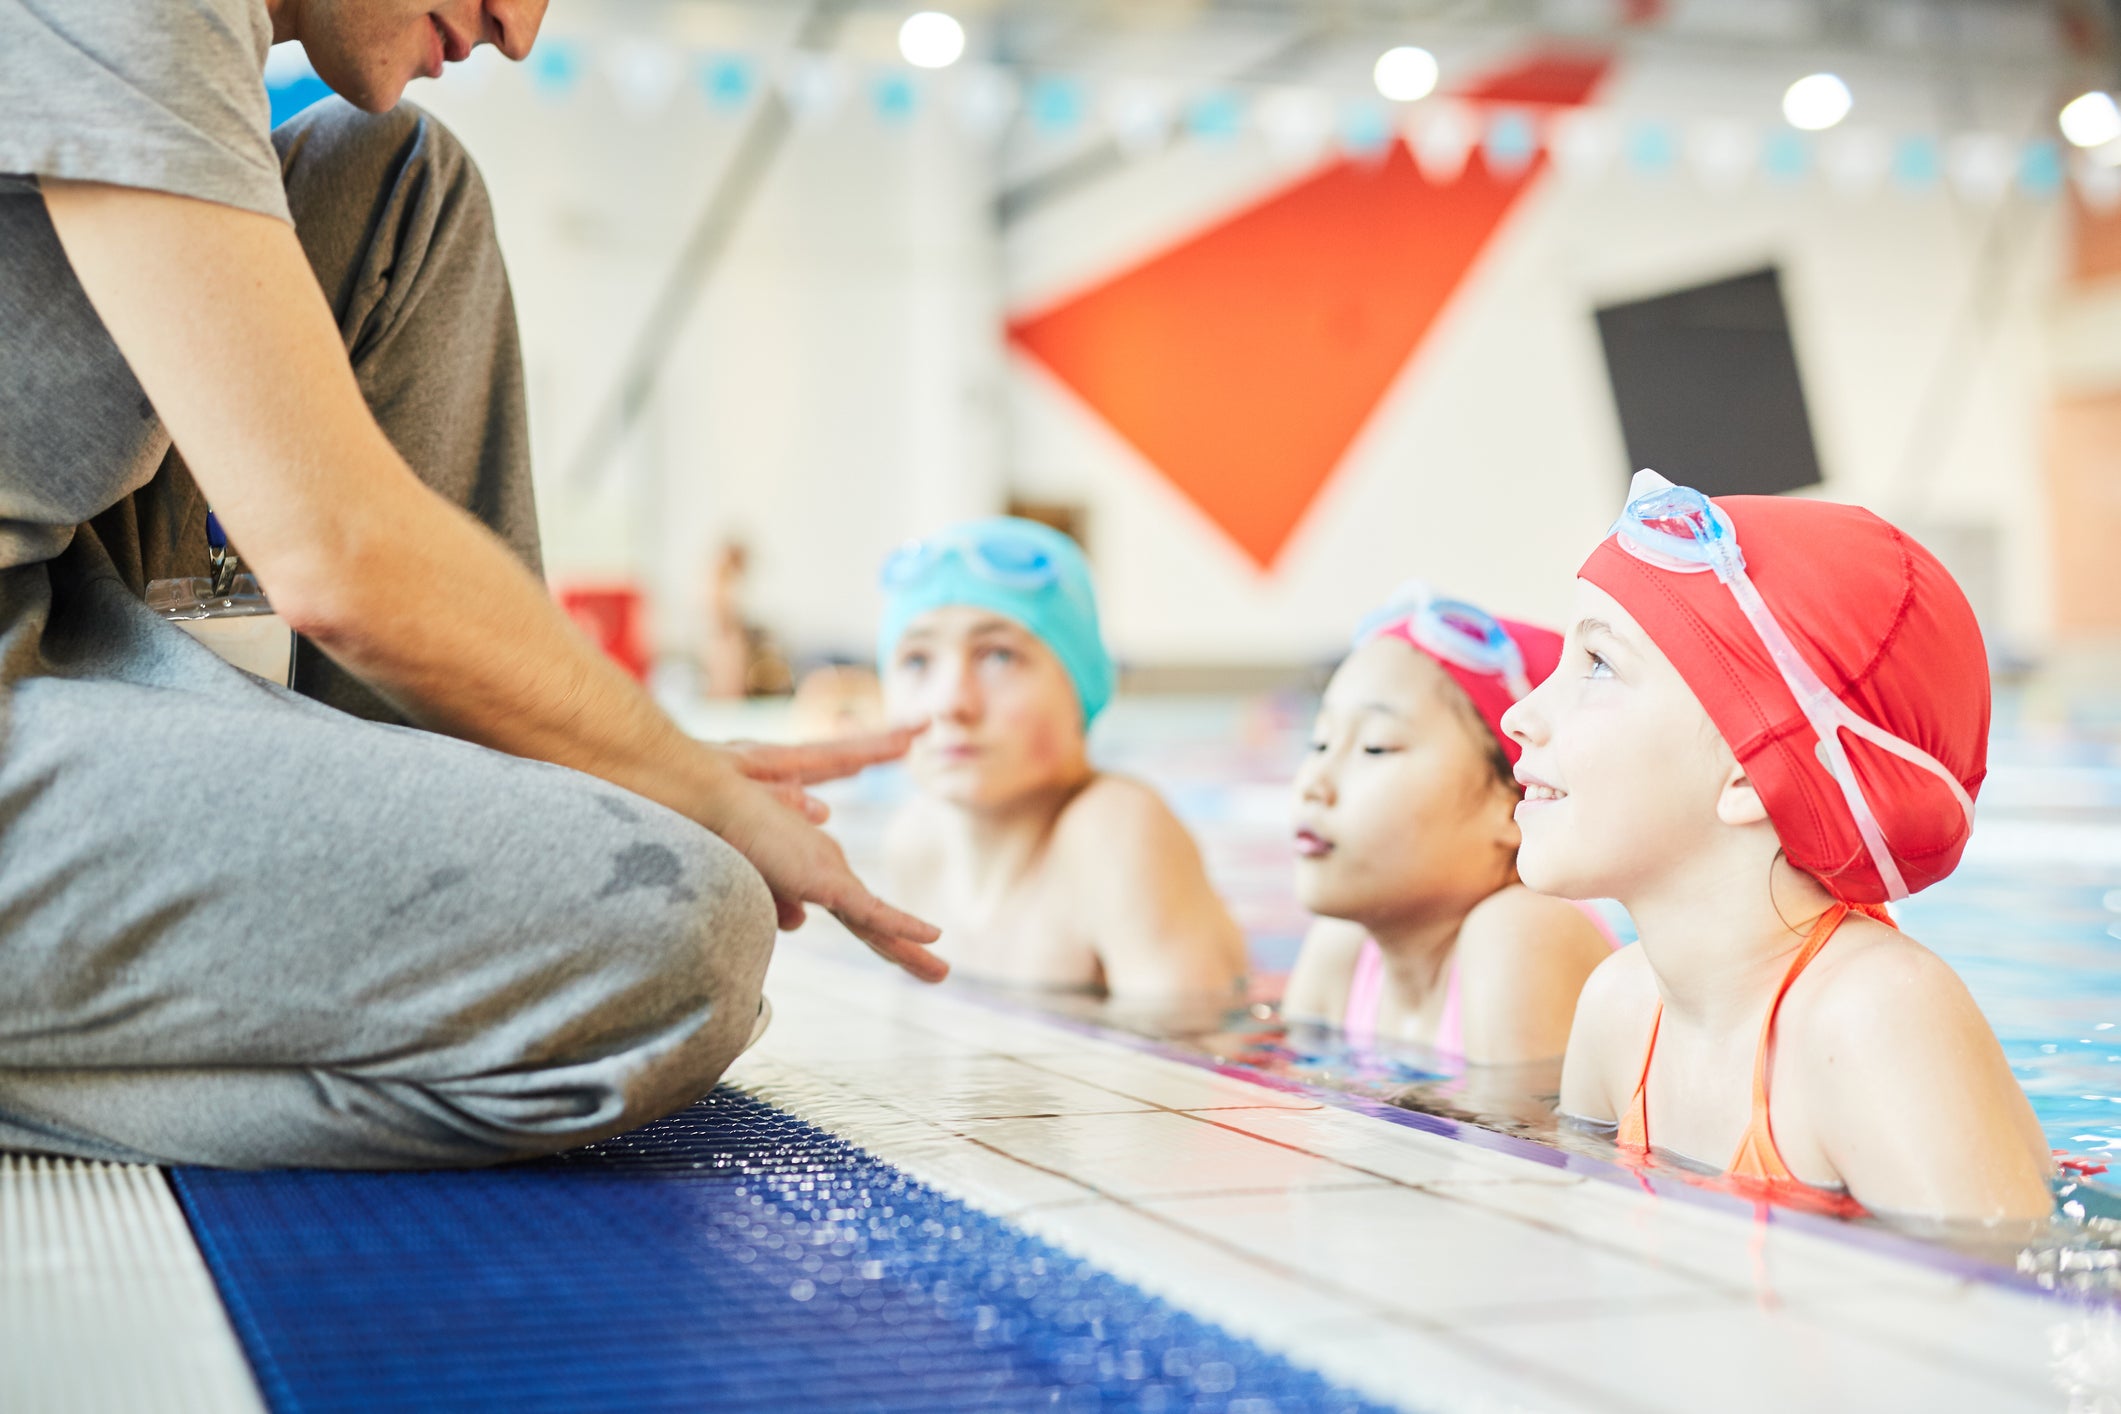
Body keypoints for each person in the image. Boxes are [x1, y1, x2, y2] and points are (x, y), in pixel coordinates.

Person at [0, 0, 940, 1169]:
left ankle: (465, 784)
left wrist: (586, 753)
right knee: (678, 940)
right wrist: (696, 785)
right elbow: (334, 551)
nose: (517, 27)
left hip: (59, 600)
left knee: (399, 180)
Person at [1505, 471, 2053, 1222]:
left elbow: (2001, 1313)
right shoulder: (1619, 1008)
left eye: (1597, 664)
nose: (1518, 714)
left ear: (1749, 772)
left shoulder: (1873, 1018)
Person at [878, 517, 1245, 1000]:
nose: (951, 703)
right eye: (918, 660)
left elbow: (1198, 1061)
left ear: (1081, 687)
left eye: (999, 656)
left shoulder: (1115, 829)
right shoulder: (914, 844)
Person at [1281, 586, 1615, 1062]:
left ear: (1513, 807)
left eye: (1376, 746)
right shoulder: (1344, 950)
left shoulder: (1521, 933)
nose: (1314, 782)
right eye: (1319, 743)